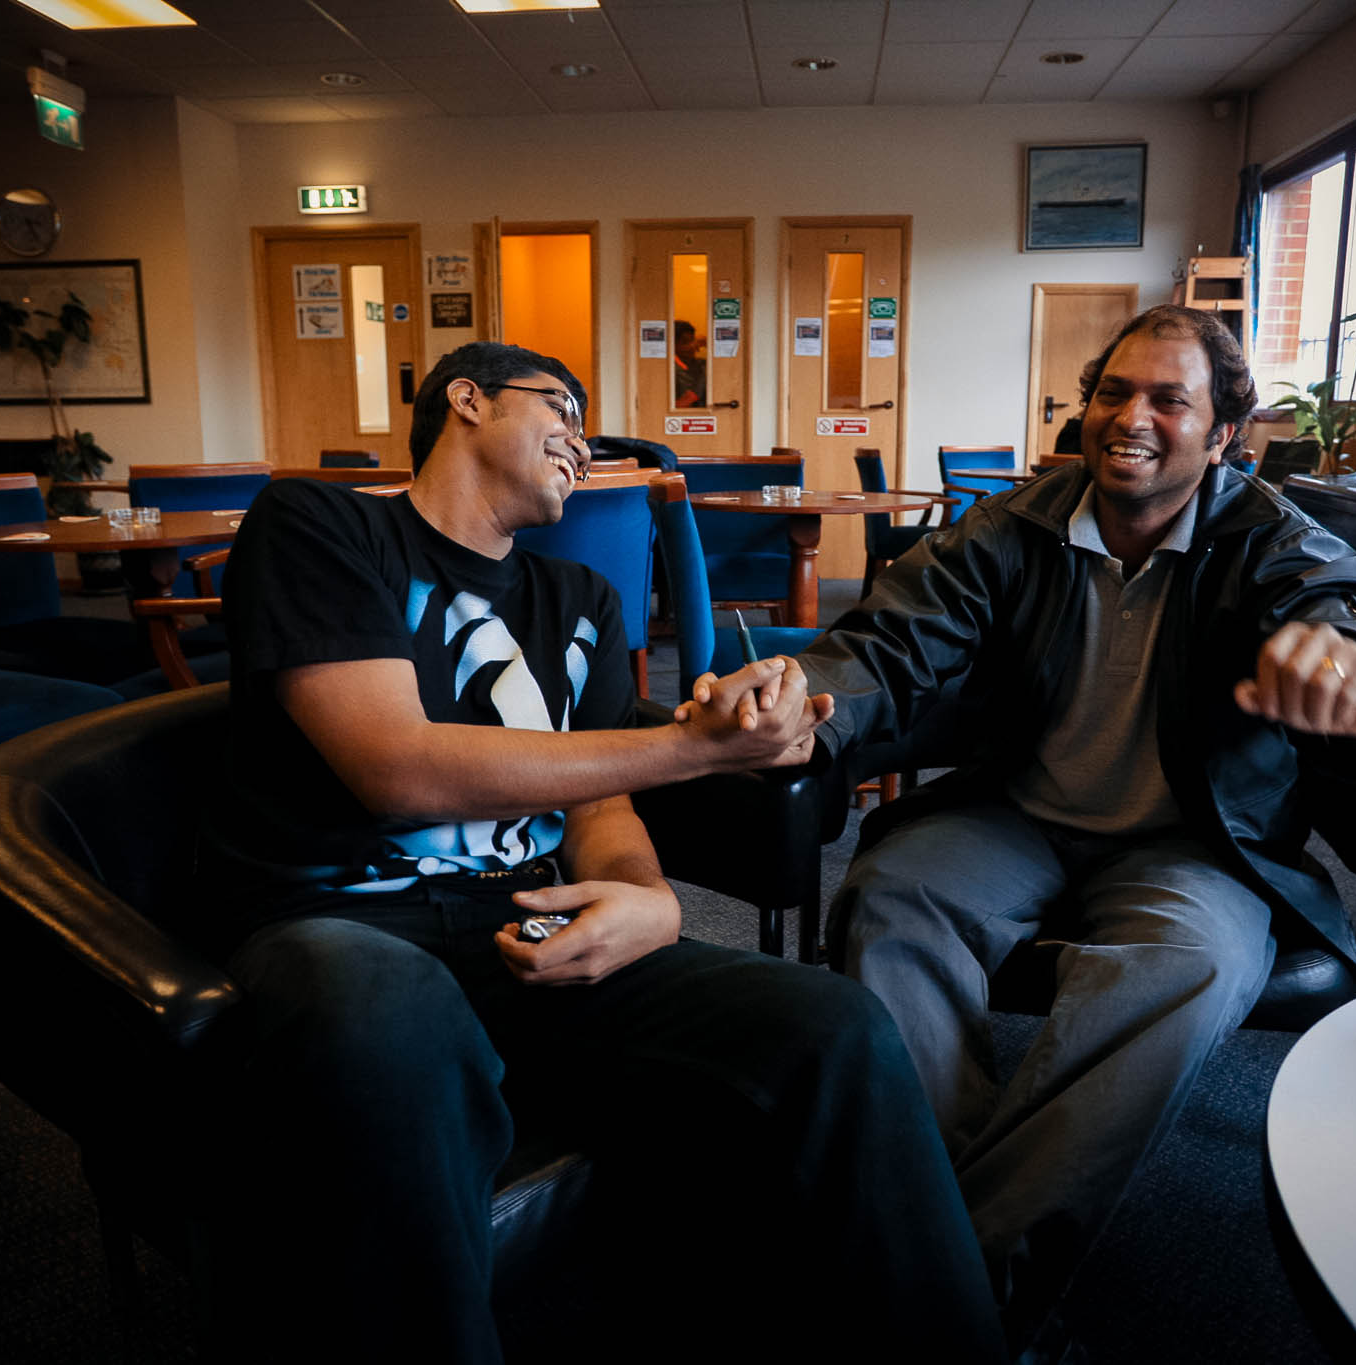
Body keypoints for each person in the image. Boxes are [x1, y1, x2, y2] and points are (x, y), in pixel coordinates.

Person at [199, 341, 1005, 1363]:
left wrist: (643, 894)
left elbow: (600, 802)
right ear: (467, 399)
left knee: (834, 1025)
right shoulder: (321, 525)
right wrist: (691, 746)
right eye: (561, 411)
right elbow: (394, 767)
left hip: (526, 929)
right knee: (385, 1011)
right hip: (336, 925)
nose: (582, 444)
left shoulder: (579, 599)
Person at [788, 306, 1356, 1356]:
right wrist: (801, 698)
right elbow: (885, 643)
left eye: (1168, 400)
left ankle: (955, 1279)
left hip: (1196, 842)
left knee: (1186, 964)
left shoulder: (1276, 542)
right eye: (1112, 392)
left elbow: (1354, 637)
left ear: (1222, 434)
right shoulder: (1010, 527)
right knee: (889, 900)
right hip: (1018, 815)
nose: (1130, 418)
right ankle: (957, 1258)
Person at [672, 319, 707, 408]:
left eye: (692, 340)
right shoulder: (670, 368)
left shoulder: (703, 364)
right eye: (684, 343)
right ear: (672, 345)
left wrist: (710, 343)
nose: (691, 346)